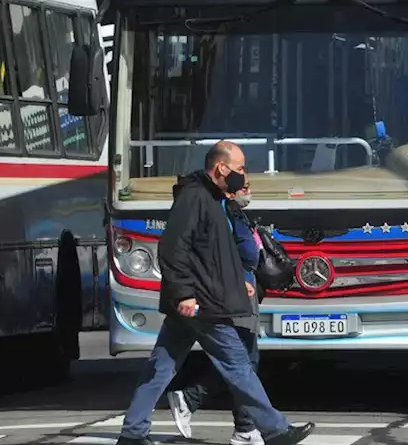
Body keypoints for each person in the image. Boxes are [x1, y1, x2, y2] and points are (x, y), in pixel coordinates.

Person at [116, 142, 313, 445]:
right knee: (237, 365)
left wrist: (238, 281)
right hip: (203, 302)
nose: (244, 175)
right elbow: (173, 247)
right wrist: (184, 294)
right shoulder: (195, 197)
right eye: (240, 168)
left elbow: (215, 253)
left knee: (162, 365)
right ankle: (275, 430)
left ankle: (132, 432)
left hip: (202, 297)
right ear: (221, 168)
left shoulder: (214, 198)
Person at [166, 183, 265, 445]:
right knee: (242, 362)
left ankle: (243, 427)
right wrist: (241, 278)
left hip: (244, 293)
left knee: (242, 361)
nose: (249, 189)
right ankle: (196, 401)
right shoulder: (222, 214)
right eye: (244, 185)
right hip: (234, 295)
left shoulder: (235, 213)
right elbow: (224, 256)